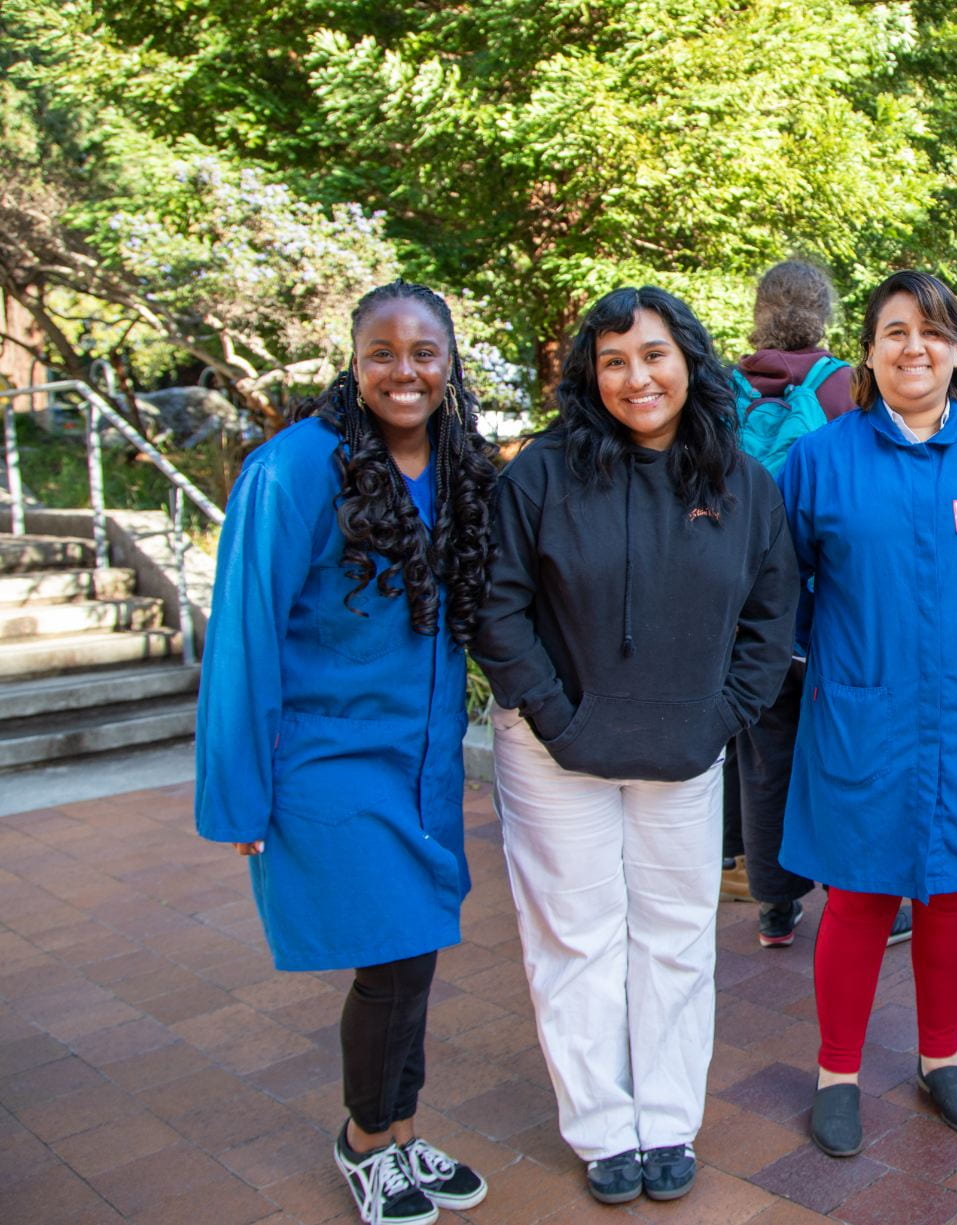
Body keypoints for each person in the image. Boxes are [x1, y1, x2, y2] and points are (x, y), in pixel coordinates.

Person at [473, 286, 799, 1205]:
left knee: (675, 935)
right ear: (590, 375)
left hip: (685, 747)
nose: (636, 377)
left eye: (653, 354)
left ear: (688, 360)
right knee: (576, 937)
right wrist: (554, 715)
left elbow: (771, 619)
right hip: (553, 750)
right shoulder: (541, 474)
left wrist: (721, 715)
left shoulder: (742, 483)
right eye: (613, 360)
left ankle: (667, 1119)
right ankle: (603, 1127)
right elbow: (496, 608)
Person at [195, 281, 494, 1225]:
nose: (404, 371)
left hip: (424, 765)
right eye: (383, 352)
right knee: (392, 958)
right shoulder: (292, 470)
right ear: (354, 359)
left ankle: (401, 1129)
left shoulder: (459, 466)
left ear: (449, 362)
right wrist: (238, 797)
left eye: (424, 352)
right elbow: (243, 635)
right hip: (330, 766)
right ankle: (365, 1140)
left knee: (417, 950)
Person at [778, 269, 957, 1157]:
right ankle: (838, 1070)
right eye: (894, 331)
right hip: (865, 709)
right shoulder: (820, 460)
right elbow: (787, 588)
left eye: (931, 331)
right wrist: (845, 663)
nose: (913, 347)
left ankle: (941, 1057)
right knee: (858, 891)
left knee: (953, 887)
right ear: (871, 350)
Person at [727, 258, 860, 948]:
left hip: (750, 607)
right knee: (834, 747)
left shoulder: (728, 386)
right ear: (825, 310)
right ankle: (849, 890)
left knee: (764, 750)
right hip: (825, 603)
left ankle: (775, 904)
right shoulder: (841, 385)